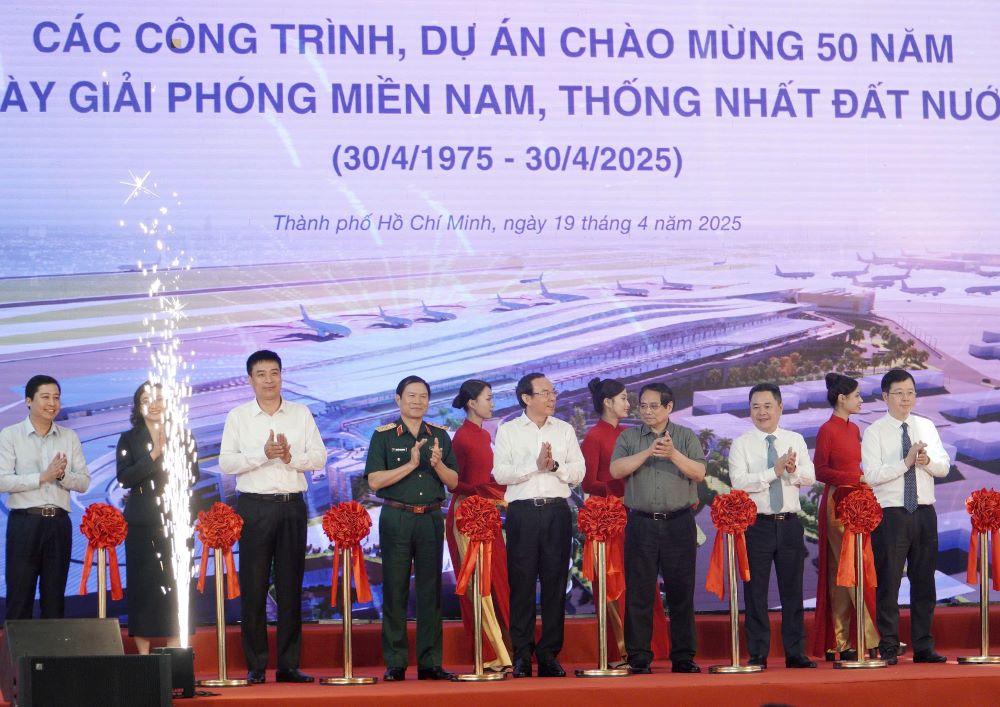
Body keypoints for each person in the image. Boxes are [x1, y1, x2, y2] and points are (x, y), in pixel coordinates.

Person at [218, 350, 326, 684]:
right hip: (255, 507)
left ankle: (289, 665)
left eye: (274, 373)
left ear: (282, 376)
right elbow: (226, 464)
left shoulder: (301, 413)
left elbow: (319, 457)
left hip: (293, 505)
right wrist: (261, 455)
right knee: (253, 585)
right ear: (250, 380)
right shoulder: (238, 417)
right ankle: (256, 665)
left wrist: (292, 458)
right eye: (261, 374)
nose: (268, 380)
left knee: (291, 585)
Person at [365, 375, 459, 682]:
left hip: (431, 517)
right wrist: (411, 463)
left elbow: (455, 482)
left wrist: (436, 465)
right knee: (394, 589)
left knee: (430, 591)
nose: (417, 401)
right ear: (398, 399)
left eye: (423, 396)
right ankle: (396, 662)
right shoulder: (384, 436)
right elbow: (375, 481)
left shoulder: (440, 436)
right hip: (397, 517)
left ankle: (431, 662)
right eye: (411, 396)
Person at [610, 382, 705, 675]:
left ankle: (683, 657)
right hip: (641, 523)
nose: (647, 411)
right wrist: (649, 451)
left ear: (669, 407)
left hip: (678, 523)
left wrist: (673, 454)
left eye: (654, 406)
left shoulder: (686, 436)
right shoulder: (629, 437)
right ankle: (639, 656)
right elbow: (616, 470)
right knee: (639, 592)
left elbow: (699, 473)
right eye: (643, 406)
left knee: (681, 592)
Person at [493, 372, 585, 678]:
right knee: (521, 584)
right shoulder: (508, 431)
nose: (552, 398)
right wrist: (534, 467)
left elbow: (578, 472)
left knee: (555, 585)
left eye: (553, 392)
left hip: (558, 512)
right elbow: (501, 474)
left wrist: (554, 466)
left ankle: (548, 654)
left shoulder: (565, 430)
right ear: (526, 398)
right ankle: (521, 654)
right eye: (545, 393)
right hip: (522, 513)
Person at [862, 368, 950, 665]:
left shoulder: (926, 426)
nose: (906, 398)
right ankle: (888, 646)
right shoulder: (874, 431)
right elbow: (872, 476)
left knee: (924, 582)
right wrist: (906, 462)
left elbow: (944, 467)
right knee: (889, 584)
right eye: (899, 393)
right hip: (892, 516)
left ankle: (923, 646)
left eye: (910, 392)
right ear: (885, 396)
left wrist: (925, 462)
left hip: (925, 512)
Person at [728, 383, 816, 669]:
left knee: (792, 592)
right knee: (755, 593)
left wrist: (791, 471)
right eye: (755, 406)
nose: (762, 412)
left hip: (789, 525)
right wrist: (773, 471)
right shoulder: (742, 443)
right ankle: (757, 654)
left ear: (779, 407)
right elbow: (739, 483)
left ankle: (795, 653)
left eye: (767, 406)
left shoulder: (795, 439)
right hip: (757, 526)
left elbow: (809, 477)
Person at [117, 381, 200, 654]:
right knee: (143, 587)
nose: (154, 404)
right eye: (147, 399)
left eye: (160, 399)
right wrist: (154, 454)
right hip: (141, 522)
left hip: (175, 521)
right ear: (138, 404)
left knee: (175, 586)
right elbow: (125, 477)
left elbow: (193, 475)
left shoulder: (183, 435)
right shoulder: (129, 439)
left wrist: (170, 453)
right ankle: (143, 656)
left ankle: (175, 653)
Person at [0, 375, 90, 620]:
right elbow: (2, 480)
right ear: (29, 401)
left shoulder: (68, 437)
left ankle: (51, 658)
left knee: (54, 600)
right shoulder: (10, 435)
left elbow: (83, 482)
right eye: (45, 397)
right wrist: (43, 476)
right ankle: (18, 659)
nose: (52, 403)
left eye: (57, 397)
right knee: (20, 598)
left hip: (59, 524)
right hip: (25, 523)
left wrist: (61, 476)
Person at [445, 379, 512, 673]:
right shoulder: (462, 438)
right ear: (472, 403)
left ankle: (505, 650)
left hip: (487, 513)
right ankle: (490, 653)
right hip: (468, 516)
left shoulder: (484, 435)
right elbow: (455, 484)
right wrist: (485, 490)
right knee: (479, 583)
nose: (492, 403)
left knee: (497, 579)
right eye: (488, 398)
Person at [812, 373, 879, 661]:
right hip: (837, 502)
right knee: (846, 569)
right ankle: (864, 638)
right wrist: (856, 477)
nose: (861, 400)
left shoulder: (852, 429)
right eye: (856, 396)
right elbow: (820, 471)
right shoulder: (828, 429)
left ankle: (842, 641)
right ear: (842, 399)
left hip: (857, 502)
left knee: (853, 570)